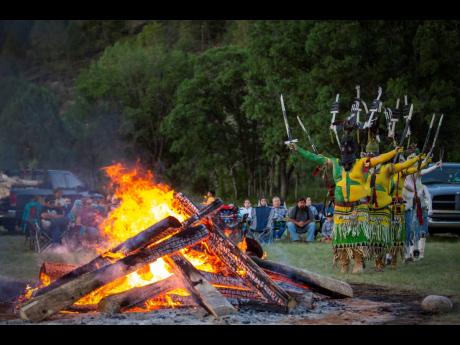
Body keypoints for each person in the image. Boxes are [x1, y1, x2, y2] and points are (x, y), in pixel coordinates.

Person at [289, 137, 403, 273]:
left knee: (358, 236)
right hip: (340, 208)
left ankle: (358, 263)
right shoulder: (335, 162)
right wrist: (298, 149)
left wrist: (393, 152)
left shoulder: (361, 163)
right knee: (340, 238)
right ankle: (344, 263)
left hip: (358, 208)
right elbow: (314, 158)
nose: (346, 155)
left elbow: (379, 159)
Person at [364, 139, 421, 272]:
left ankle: (381, 262)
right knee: (369, 237)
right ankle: (365, 260)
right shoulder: (365, 170)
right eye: (368, 154)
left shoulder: (387, 168)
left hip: (384, 209)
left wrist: (417, 159)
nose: (370, 157)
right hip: (369, 209)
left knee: (382, 238)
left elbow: (403, 166)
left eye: (372, 155)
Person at [403, 158, 442, 262]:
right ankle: (411, 253)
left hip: (420, 208)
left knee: (419, 231)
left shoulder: (417, 175)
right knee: (411, 230)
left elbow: (424, 170)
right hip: (410, 208)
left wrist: (434, 166)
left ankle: (418, 252)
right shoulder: (406, 176)